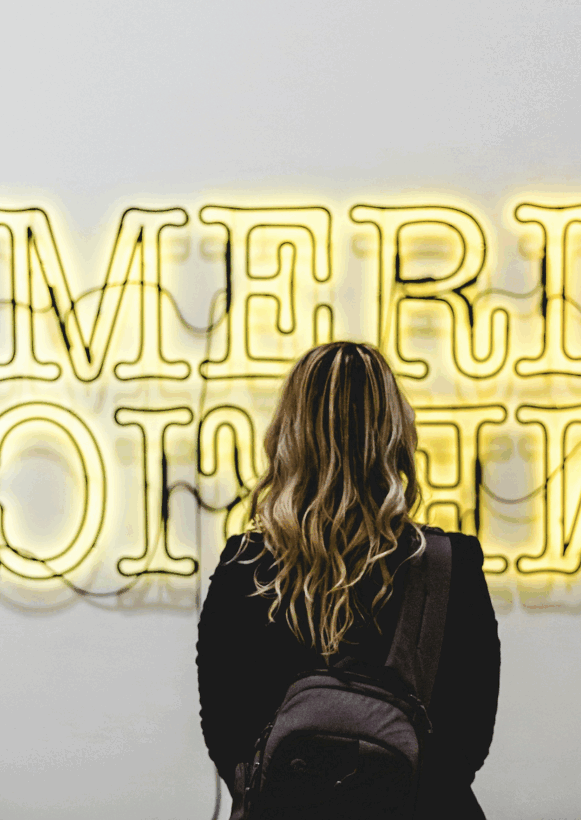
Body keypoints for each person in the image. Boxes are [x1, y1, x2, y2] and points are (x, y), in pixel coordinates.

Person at [196, 341, 501, 819]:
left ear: (286, 434)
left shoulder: (244, 566)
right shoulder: (448, 564)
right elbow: (467, 741)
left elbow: (227, 737)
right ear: (396, 432)